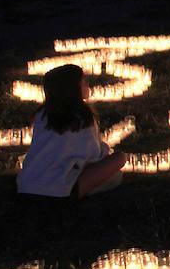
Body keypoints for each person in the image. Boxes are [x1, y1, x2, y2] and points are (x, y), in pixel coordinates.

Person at [17, 64, 126, 197]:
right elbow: (91, 156)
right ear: (73, 89)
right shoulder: (82, 116)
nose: (88, 85)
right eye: (84, 82)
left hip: (27, 184)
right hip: (61, 189)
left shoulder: (42, 115)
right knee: (119, 161)